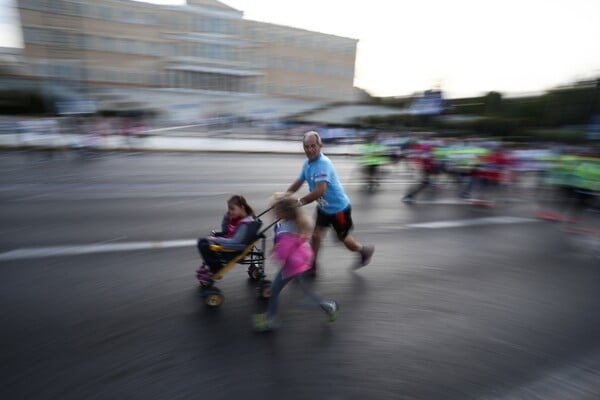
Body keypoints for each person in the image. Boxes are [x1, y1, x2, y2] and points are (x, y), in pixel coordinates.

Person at [284, 130, 374, 275]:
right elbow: (299, 181)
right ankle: (312, 265)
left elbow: (320, 191)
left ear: (321, 145)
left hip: (339, 210)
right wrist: (285, 196)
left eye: (313, 146)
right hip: (324, 208)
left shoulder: (323, 164)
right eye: (306, 146)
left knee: (342, 239)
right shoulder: (307, 164)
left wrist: (298, 202)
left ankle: (364, 250)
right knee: (316, 235)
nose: (310, 150)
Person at [252, 196, 339, 332]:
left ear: (285, 213)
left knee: (275, 291)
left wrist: (276, 252)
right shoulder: (295, 222)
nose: (275, 214)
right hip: (301, 261)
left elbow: (284, 252)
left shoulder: (285, 229)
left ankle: (271, 320)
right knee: (306, 292)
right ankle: (329, 307)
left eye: (277, 211)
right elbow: (296, 242)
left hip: (292, 265)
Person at [195, 194, 256, 283]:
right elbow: (225, 231)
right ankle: (212, 265)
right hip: (227, 243)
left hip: (233, 250)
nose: (230, 212)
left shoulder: (245, 223)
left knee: (205, 246)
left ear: (242, 208)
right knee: (202, 241)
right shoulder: (235, 218)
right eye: (229, 209)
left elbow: (236, 241)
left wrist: (216, 240)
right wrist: (226, 218)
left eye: (232, 209)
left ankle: (216, 269)